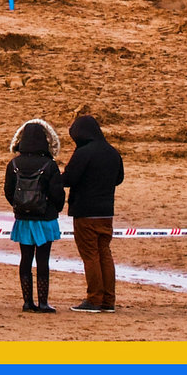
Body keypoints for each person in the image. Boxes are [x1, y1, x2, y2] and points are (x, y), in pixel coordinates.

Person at [62, 111, 124, 312]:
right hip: (106, 213)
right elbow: (119, 178)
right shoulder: (112, 152)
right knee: (105, 254)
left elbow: (69, 179)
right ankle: (108, 300)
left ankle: (94, 299)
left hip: (86, 212)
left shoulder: (84, 152)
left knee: (90, 256)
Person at [5, 118, 65, 313]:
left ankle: (27, 302)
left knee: (25, 259)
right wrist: (53, 209)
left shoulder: (13, 164)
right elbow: (58, 194)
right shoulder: (49, 165)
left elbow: (8, 191)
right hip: (45, 219)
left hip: (23, 219)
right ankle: (43, 302)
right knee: (43, 260)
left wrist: (20, 206)